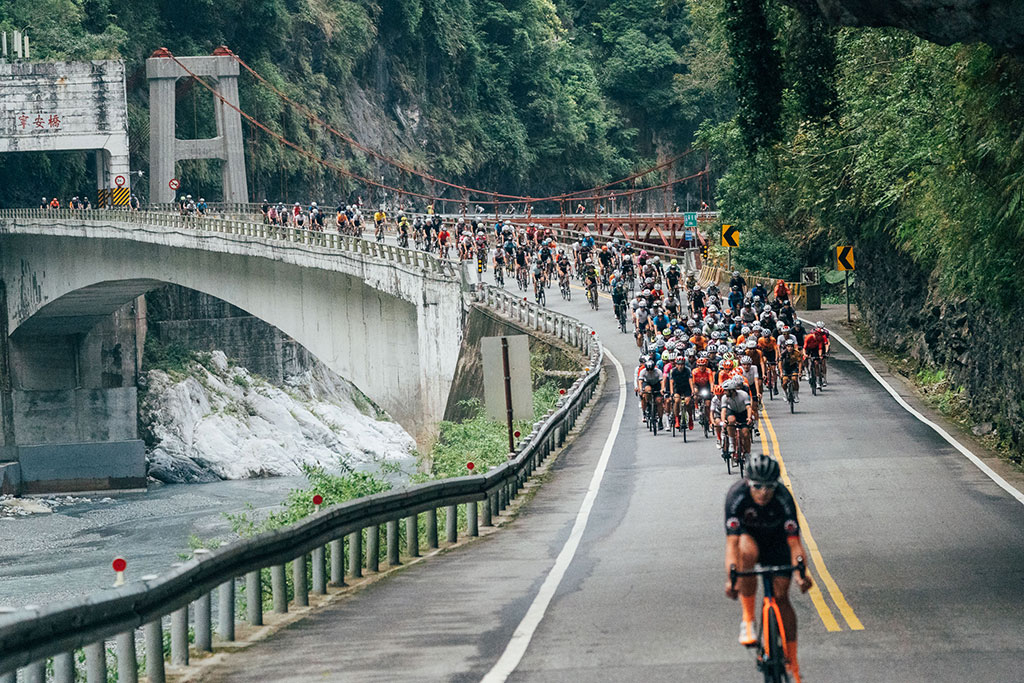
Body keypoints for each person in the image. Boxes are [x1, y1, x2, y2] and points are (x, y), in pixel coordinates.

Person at [725, 454, 812, 682]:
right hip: (750, 540)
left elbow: (795, 544)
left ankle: (792, 658)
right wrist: (731, 578)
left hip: (778, 543)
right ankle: (748, 620)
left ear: (777, 484)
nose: (763, 492)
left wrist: (802, 574)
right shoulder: (736, 497)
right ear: (748, 483)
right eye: (757, 486)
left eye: (769, 486)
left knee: (782, 598)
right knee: (746, 553)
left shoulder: (783, 498)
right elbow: (732, 545)